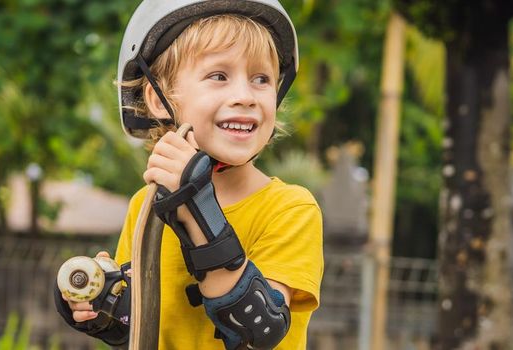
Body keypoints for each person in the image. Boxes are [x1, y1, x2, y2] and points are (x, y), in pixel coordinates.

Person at [54, 1, 323, 348]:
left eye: (261, 79)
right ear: (157, 98)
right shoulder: (145, 205)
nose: (245, 96)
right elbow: (139, 324)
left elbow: (258, 330)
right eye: (219, 76)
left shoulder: (290, 209)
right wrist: (99, 304)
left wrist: (196, 205)